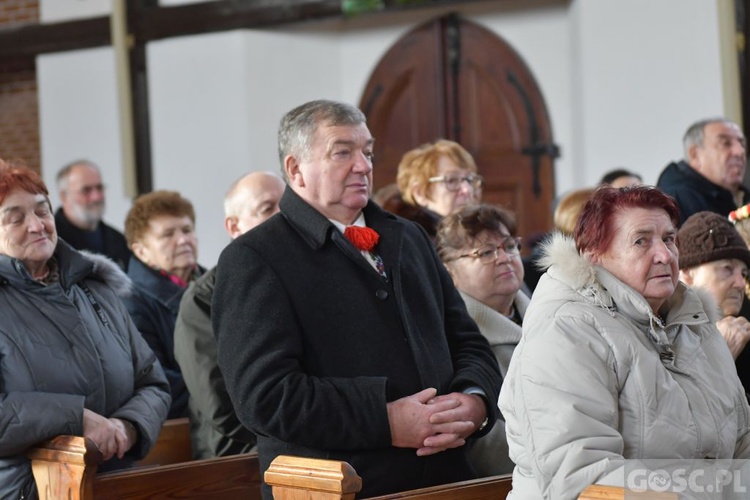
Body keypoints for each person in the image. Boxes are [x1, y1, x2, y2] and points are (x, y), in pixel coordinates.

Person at [212, 100, 502, 498]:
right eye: (342, 152)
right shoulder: (254, 258)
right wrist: (385, 420)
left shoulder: (408, 237)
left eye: (366, 151)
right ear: (296, 170)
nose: (364, 165)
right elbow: (264, 396)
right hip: (342, 487)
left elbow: (467, 340)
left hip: (445, 476)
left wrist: (474, 401)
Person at [498, 186, 750, 499]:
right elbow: (584, 478)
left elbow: (742, 438)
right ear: (594, 255)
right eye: (641, 241)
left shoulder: (695, 323)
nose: (664, 254)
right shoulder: (565, 330)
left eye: (669, 239)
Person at [0, 160, 170, 499]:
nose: (37, 226)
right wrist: (76, 417)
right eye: (15, 218)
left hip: (116, 483)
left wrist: (128, 426)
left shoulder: (96, 288)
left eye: (42, 211)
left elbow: (152, 381)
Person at [174, 171, 285, 459]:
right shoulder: (203, 298)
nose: (283, 216)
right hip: (236, 456)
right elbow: (220, 407)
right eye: (267, 209)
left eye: (287, 206)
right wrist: (298, 439)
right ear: (234, 226)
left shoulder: (303, 279)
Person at [436, 203, 527, 477]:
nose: (504, 258)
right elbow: (481, 441)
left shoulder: (552, 315)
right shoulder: (454, 341)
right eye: (486, 252)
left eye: (510, 246)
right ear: (449, 272)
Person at [123, 190, 204, 419]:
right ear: (141, 251)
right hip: (184, 422)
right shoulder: (130, 303)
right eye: (168, 234)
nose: (183, 240)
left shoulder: (218, 283)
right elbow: (157, 379)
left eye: (187, 230)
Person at [656, 117, 748, 225]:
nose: (740, 152)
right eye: (726, 143)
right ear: (695, 155)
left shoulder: (740, 194)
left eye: (742, 144)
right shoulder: (679, 196)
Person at [394, 139, 482, 238]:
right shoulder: (411, 241)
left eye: (470, 179)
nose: (467, 190)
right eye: (452, 180)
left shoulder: (484, 232)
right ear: (420, 193)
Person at [55, 160, 132, 271]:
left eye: (99, 188)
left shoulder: (119, 241)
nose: (96, 197)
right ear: (64, 196)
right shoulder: (50, 242)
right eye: (86, 190)